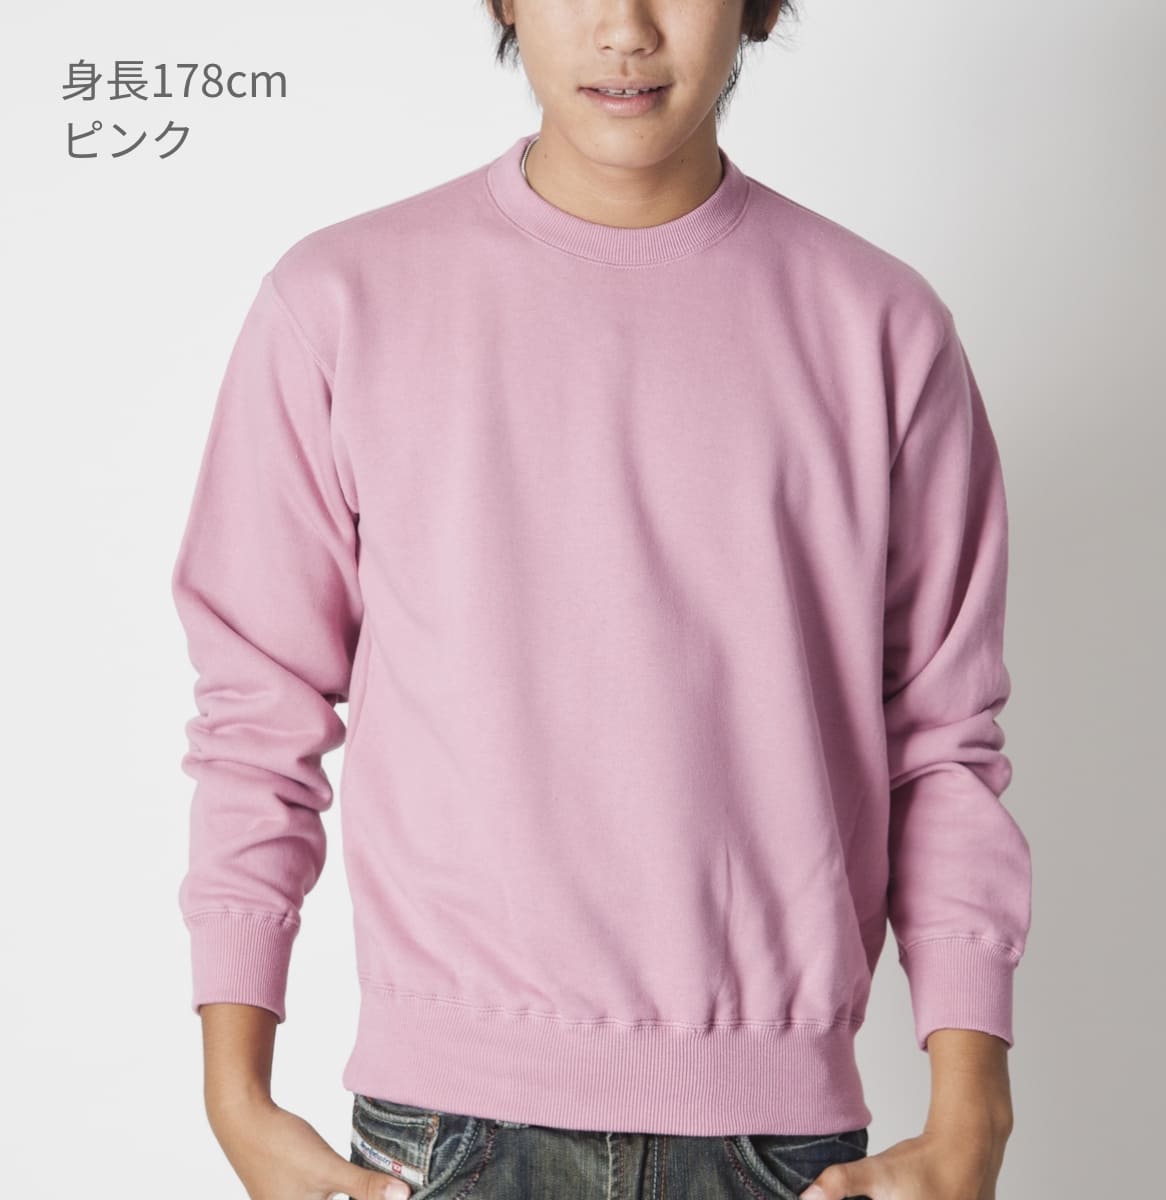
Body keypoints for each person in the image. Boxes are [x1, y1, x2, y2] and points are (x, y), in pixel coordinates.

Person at [170, 2, 1033, 1198]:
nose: (624, 29)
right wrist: (235, 1096)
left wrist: (973, 1111)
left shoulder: (881, 326)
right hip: (446, 1130)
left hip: (776, 1141)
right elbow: (257, 713)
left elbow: (941, 742)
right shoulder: (338, 301)